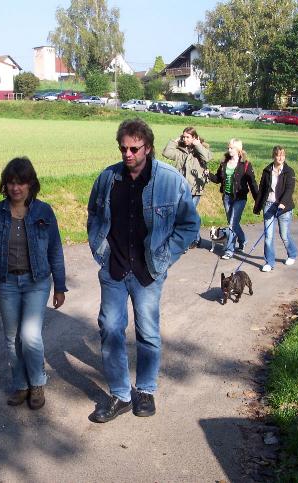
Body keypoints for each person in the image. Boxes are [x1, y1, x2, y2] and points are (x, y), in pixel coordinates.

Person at [87, 119, 200, 423]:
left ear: (148, 148)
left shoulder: (170, 181)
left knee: (147, 332)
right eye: (123, 148)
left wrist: (165, 257)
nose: (128, 154)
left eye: (134, 148)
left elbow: (190, 225)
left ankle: (146, 390)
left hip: (148, 270)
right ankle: (121, 395)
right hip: (114, 268)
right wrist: (101, 252)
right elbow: (94, 215)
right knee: (110, 328)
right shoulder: (108, 178)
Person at [0, 157, 67, 410]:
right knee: (12, 337)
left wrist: (60, 286)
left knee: (30, 336)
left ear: (30, 184)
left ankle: (37, 383)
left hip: (36, 281)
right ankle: (21, 385)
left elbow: (55, 250)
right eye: (11, 182)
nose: (16, 188)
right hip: (6, 283)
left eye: (21, 182)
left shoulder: (44, 211)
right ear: (5, 185)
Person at [208, 138, 259, 259]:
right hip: (227, 197)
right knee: (233, 223)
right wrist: (208, 174)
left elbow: (252, 183)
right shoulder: (224, 163)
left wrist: (258, 200)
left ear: (238, 150)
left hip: (239, 198)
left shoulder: (245, 164)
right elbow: (218, 179)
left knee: (232, 224)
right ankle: (243, 240)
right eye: (228, 147)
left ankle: (229, 250)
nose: (229, 150)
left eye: (231, 148)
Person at [162, 127, 212, 247]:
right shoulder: (180, 151)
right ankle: (196, 238)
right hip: (181, 188)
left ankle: (191, 240)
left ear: (194, 137)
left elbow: (208, 157)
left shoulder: (200, 150)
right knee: (186, 215)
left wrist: (198, 145)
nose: (185, 139)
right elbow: (166, 153)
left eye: (188, 137)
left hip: (195, 188)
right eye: (183, 137)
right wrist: (174, 141)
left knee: (189, 214)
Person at [253, 146, 298, 272]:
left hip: (284, 207)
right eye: (278, 155)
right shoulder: (267, 170)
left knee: (284, 235)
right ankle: (269, 262)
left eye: (283, 155)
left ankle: (292, 254)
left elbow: (289, 189)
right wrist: (257, 207)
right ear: (274, 156)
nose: (280, 158)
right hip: (268, 205)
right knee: (268, 236)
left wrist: (283, 203)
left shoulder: (289, 171)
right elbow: (262, 189)